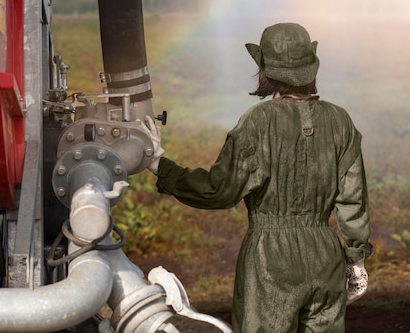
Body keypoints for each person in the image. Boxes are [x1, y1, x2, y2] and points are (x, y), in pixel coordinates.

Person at [140, 23, 373, 332]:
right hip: (326, 254)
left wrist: (159, 164)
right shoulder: (340, 120)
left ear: (266, 71)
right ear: (310, 67)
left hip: (270, 258)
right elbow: (353, 199)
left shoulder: (258, 121)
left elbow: (218, 191)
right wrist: (355, 259)